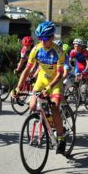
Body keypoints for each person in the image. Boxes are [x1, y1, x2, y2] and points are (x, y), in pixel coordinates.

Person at [13, 21, 67, 154]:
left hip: (54, 82)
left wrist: (49, 87)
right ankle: (47, 120)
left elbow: (60, 74)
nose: (42, 41)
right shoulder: (36, 50)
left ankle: (61, 137)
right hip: (41, 80)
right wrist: (18, 87)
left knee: (54, 107)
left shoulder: (59, 52)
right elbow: (27, 70)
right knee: (32, 106)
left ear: (52, 38)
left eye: (45, 38)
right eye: (40, 38)